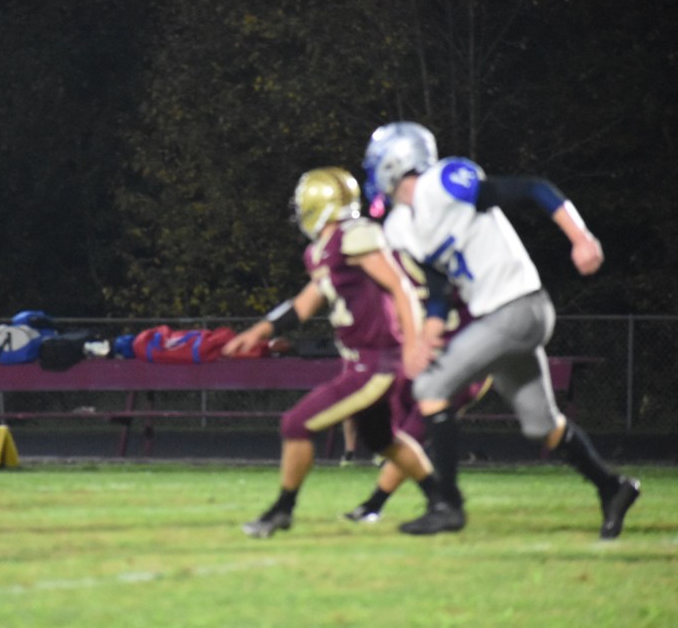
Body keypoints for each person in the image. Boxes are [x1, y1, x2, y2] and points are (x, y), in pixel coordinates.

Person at [361, 121, 641, 537]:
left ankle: (447, 506)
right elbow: (439, 289)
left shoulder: (443, 182)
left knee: (431, 389)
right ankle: (613, 487)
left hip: (519, 306)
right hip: (497, 318)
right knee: (542, 427)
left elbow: (533, 188)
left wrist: (580, 238)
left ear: (397, 162)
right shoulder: (400, 225)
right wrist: (426, 337)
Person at [223, 166, 443, 539]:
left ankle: (281, 510)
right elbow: (306, 302)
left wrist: (412, 346)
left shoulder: (354, 236)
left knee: (296, 424)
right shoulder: (322, 251)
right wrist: (261, 330)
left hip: (377, 362)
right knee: (384, 441)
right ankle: (442, 501)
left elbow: (401, 287)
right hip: (364, 362)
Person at [345, 203, 492, 522]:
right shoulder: (396, 264)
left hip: (460, 359)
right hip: (424, 361)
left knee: (412, 432)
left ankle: (376, 505)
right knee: (393, 431)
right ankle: (436, 499)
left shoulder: (453, 263)